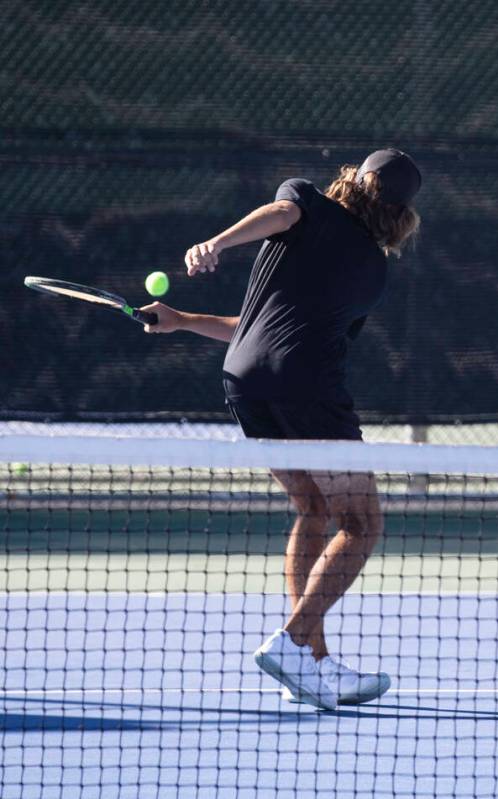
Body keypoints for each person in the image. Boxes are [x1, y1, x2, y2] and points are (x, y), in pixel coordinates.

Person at [142, 148, 422, 707]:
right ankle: (296, 642)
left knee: (315, 510)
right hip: (309, 391)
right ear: (401, 212)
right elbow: (283, 229)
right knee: (361, 524)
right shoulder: (374, 270)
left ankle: (312, 662)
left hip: (245, 381)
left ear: (354, 179)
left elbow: (260, 315)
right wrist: (217, 248)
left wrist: (190, 303)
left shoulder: (308, 200)